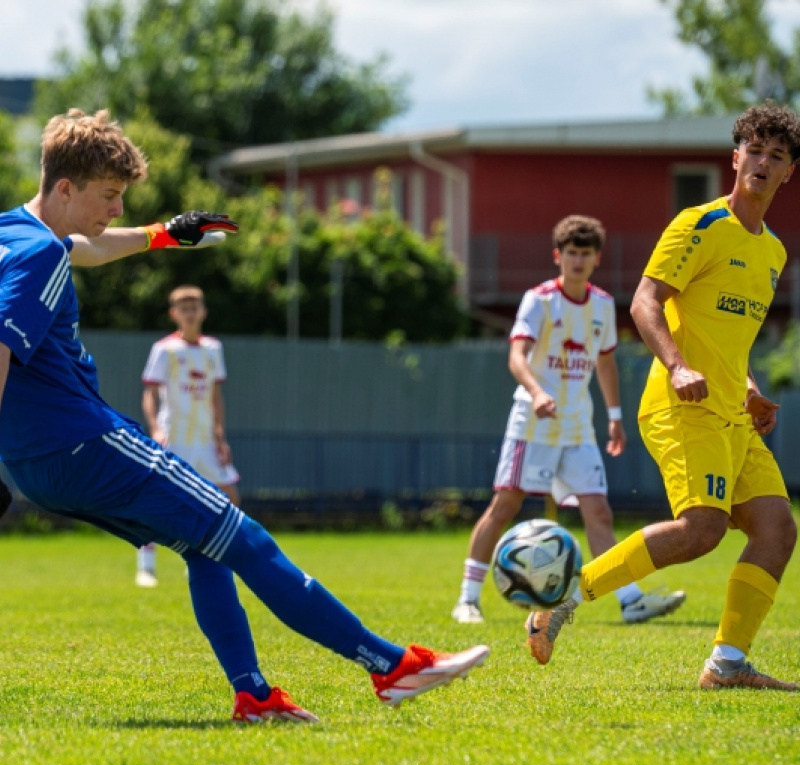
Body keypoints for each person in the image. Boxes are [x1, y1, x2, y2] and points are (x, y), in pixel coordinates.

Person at [0, 108, 489, 723]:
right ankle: (391, 666)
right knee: (243, 536)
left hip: (35, 462)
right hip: (84, 443)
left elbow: (86, 249)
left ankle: (254, 694)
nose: (117, 211)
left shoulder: (15, 233)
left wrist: (163, 235)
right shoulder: (40, 255)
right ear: (66, 188)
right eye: (109, 196)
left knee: (205, 548)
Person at [525, 101, 800, 691]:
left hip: (731, 410)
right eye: (755, 150)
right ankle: (560, 604)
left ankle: (727, 666)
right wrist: (675, 366)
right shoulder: (699, 225)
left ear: (788, 174)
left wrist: (750, 389)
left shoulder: (773, 253)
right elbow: (645, 303)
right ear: (735, 157)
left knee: (777, 527)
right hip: (682, 403)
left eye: (777, 156)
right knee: (701, 529)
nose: (763, 161)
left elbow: (729, 338)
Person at [452, 215, 685, 625]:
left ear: (596, 259)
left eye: (586, 254)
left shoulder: (601, 304)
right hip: (533, 422)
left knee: (599, 512)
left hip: (578, 426)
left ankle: (630, 600)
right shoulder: (539, 300)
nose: (578, 261)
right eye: (571, 253)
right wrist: (538, 393)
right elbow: (516, 357)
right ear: (558, 257)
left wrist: (615, 417)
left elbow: (605, 363)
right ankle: (468, 599)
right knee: (506, 504)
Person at [135, 285, 240, 587]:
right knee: (155, 498)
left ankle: (215, 560)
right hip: (175, 437)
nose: (190, 312)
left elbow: (216, 395)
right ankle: (146, 566)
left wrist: (220, 436)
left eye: (195, 307)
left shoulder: (212, 349)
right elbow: (150, 393)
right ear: (174, 314)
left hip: (205, 439)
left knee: (229, 496)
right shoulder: (164, 349)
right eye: (184, 307)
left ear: (204, 312)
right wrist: (155, 428)